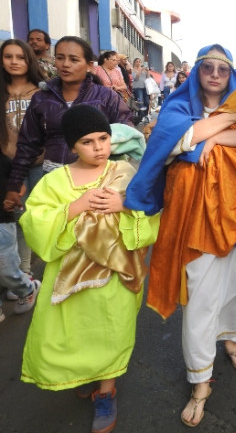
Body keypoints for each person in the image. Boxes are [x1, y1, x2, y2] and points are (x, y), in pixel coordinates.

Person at [124, 43, 236, 427]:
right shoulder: (179, 108)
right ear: (196, 73)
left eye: (221, 69)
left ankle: (231, 338)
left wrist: (214, 137)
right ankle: (200, 381)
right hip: (194, 217)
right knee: (200, 295)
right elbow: (176, 141)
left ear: (231, 75)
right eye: (207, 68)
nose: (213, 74)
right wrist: (233, 120)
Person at [19, 104, 158, 433]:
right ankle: (86, 372)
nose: (98, 148)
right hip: (68, 276)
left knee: (112, 330)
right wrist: (75, 206)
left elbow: (150, 211)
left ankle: (106, 391)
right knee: (74, 331)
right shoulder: (55, 181)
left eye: (103, 138)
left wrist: (124, 204)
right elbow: (34, 220)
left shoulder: (124, 172)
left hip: (115, 275)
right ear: (71, 146)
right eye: (87, 142)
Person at [3, 36, 132, 211]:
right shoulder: (42, 98)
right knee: (56, 228)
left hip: (98, 180)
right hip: (54, 178)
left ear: (89, 65)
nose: (65, 64)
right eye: (60, 57)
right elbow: (27, 143)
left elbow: (127, 133)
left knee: (92, 232)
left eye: (74, 59)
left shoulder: (105, 96)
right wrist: (15, 183)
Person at [0, 39, 46, 279]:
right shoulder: (1, 91)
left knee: (31, 218)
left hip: (38, 164)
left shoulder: (43, 90)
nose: (14, 62)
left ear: (29, 60)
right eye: (8, 56)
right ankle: (15, 273)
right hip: (7, 165)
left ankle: (25, 271)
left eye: (20, 57)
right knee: (13, 217)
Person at [0, 149, 41, 323]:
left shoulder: (3, 161)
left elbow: (20, 185)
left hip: (2, 221)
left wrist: (14, 195)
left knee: (5, 268)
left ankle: (26, 289)